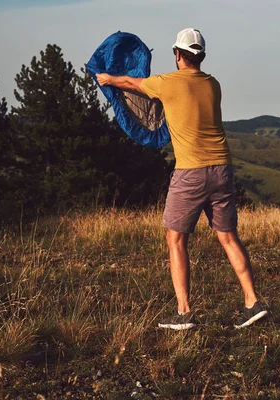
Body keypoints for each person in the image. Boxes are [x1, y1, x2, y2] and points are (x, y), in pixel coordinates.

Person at [96, 28, 267, 330]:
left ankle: (184, 312)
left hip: (190, 171)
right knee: (228, 237)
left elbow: (131, 83)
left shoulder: (168, 83)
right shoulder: (213, 85)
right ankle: (253, 302)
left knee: (175, 238)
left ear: (177, 54)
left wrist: (107, 79)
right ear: (201, 55)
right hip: (222, 168)